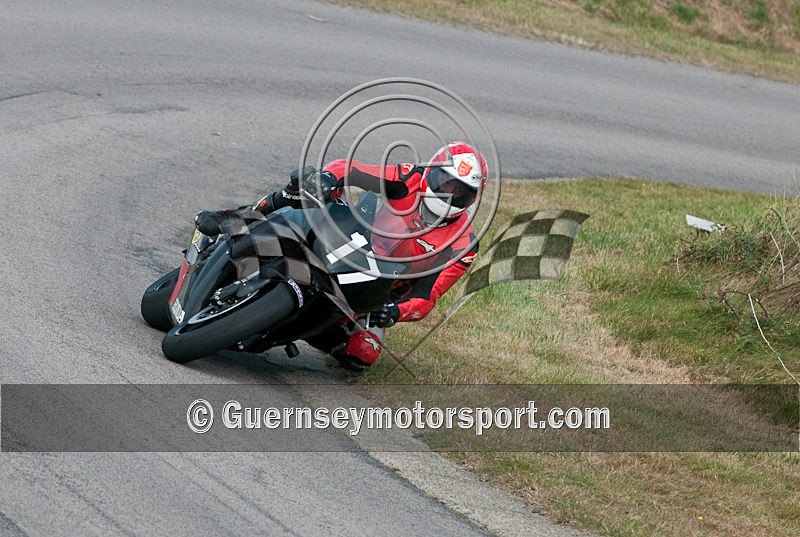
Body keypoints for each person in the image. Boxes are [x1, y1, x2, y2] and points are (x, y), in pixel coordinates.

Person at [195, 141, 488, 368]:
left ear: (472, 198)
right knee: (303, 189)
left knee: (363, 354)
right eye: (444, 182)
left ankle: (294, 328)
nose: (448, 194)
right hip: (352, 237)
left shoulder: (464, 243)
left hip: (376, 288)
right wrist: (327, 178)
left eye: (460, 191)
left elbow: (427, 296)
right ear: (431, 171)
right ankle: (232, 219)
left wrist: (395, 312)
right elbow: (352, 169)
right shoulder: (408, 176)